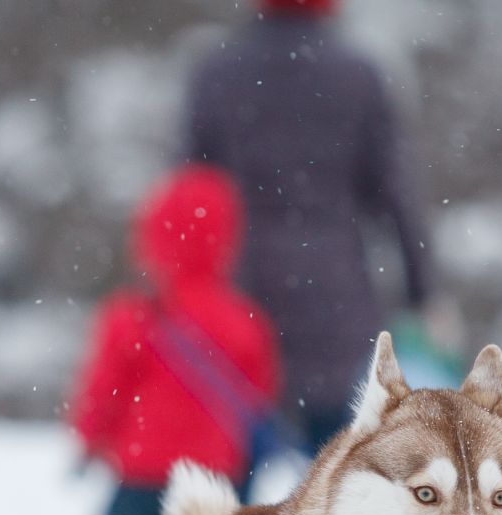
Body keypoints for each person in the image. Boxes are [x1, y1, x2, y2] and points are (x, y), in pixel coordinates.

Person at [186, 0, 445, 453]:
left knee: (230, 465)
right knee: (335, 467)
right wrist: (423, 292)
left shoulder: (219, 71)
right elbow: (396, 194)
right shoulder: (360, 75)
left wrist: (177, 291)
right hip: (336, 293)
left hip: (241, 291)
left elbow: (189, 194)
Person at [70, 166, 280, 515]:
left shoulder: (134, 316)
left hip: (144, 474)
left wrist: (90, 439)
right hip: (215, 480)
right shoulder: (244, 320)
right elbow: (259, 398)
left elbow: (103, 391)